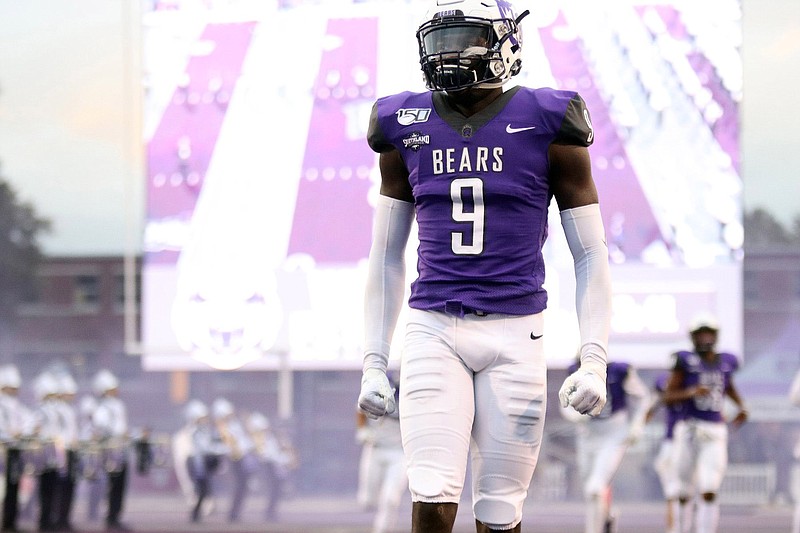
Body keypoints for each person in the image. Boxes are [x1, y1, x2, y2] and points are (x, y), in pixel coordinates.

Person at [356, 1, 613, 531]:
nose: (447, 53)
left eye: (463, 37)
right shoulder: (405, 123)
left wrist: (594, 358)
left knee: (499, 512)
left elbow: (589, 252)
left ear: (505, 41)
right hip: (434, 326)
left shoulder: (548, 119)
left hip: (518, 333)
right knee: (431, 496)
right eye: (440, 39)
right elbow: (385, 253)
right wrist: (373, 361)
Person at [664, 313, 748, 533]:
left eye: (708, 334)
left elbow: (728, 386)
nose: (704, 339)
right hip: (688, 428)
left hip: (715, 430)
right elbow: (667, 396)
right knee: (683, 492)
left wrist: (742, 406)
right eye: (700, 335)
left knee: (710, 489)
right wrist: (691, 392)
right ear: (693, 338)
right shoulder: (685, 361)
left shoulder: (726, 361)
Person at [561, 359, 650, 533]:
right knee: (591, 490)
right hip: (587, 433)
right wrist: (574, 415)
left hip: (613, 432)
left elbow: (642, 397)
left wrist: (636, 425)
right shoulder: (574, 370)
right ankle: (607, 517)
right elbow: (564, 402)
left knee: (595, 488)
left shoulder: (619, 371)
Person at [356, 371, 408, 533]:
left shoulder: (412, 400)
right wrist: (362, 430)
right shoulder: (377, 393)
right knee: (367, 501)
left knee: (390, 499)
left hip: (399, 454)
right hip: (375, 449)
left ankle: (382, 530)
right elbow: (360, 410)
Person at [91, 369, 131, 531]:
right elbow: (101, 428)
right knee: (112, 485)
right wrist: (116, 435)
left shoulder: (118, 405)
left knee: (120, 485)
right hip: (110, 450)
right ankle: (110, 518)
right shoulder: (103, 408)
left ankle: (115, 516)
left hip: (120, 449)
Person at [647, 371, 687, 533]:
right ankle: (673, 528)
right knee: (672, 488)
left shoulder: (696, 379)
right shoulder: (664, 380)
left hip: (690, 438)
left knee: (686, 489)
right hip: (671, 439)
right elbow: (657, 400)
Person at [212, 398, 257, 523]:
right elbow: (221, 447)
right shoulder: (220, 429)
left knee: (242, 487)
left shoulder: (235, 425)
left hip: (240, 459)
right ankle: (232, 513)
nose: (231, 415)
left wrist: (250, 446)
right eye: (228, 413)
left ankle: (235, 512)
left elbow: (243, 441)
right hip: (232, 461)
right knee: (237, 487)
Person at [0, 365, 32, 533]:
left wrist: (23, 431)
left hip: (14, 450)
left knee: (13, 487)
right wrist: (10, 434)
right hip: (4, 450)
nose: (15, 390)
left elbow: (28, 422)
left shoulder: (16, 405)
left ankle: (10, 522)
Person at [246, 412, 295, 522]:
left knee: (276, 491)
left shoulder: (268, 438)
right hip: (267, 467)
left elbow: (275, 453)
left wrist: (286, 458)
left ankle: (271, 512)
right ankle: (269, 513)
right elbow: (267, 455)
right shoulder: (257, 440)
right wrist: (286, 460)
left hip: (272, 466)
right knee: (274, 490)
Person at [183, 400, 225, 523]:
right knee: (202, 490)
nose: (206, 419)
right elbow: (205, 447)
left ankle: (197, 514)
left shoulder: (206, 430)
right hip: (198, 464)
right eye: (203, 417)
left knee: (205, 490)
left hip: (204, 464)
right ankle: (195, 514)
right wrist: (217, 449)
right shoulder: (196, 432)